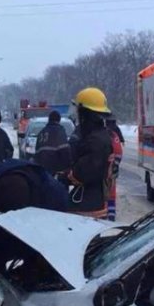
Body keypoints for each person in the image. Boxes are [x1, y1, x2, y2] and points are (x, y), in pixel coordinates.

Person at [67, 87, 114, 218]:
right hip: (92, 201)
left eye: (79, 111)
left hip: (86, 206)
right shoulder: (99, 135)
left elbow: (79, 174)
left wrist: (68, 174)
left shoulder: (95, 140)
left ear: (86, 113)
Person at [34, 110, 71, 175]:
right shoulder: (59, 131)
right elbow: (65, 150)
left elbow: (37, 151)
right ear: (59, 120)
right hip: (54, 167)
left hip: (41, 167)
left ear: (49, 119)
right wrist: (69, 166)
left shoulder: (41, 132)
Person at [106, 115, 124, 221]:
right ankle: (111, 215)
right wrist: (115, 165)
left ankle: (104, 213)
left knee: (102, 192)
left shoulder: (100, 134)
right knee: (111, 193)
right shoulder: (113, 135)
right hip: (110, 170)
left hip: (101, 169)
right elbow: (119, 152)